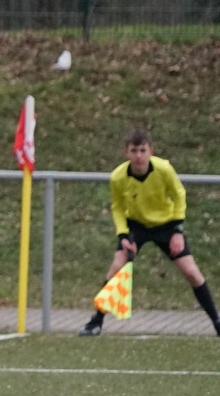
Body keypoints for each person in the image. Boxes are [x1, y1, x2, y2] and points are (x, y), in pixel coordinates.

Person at [80, 129, 220, 337]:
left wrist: (177, 231)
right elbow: (117, 207)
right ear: (126, 152)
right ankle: (96, 322)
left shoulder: (164, 169)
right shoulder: (118, 176)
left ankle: (216, 321)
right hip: (136, 226)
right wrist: (123, 236)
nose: (138, 155)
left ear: (151, 152)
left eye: (142, 150)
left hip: (167, 226)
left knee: (191, 272)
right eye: (134, 150)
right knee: (117, 267)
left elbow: (179, 195)